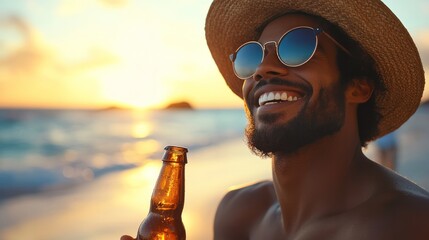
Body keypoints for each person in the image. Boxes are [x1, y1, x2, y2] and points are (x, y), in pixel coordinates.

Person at [122, 0, 429, 239]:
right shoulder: (239, 214)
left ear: (358, 87)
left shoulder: (409, 225)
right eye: (251, 56)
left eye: (298, 47)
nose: (263, 69)